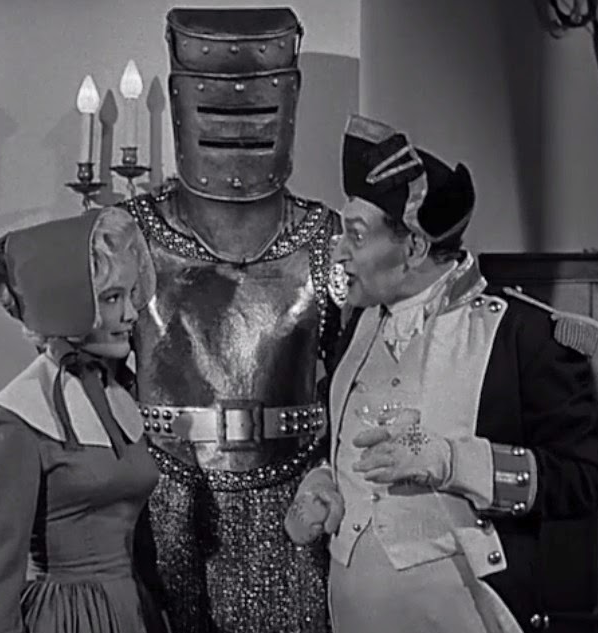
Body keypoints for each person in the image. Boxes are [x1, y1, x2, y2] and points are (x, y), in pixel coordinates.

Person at [285, 114, 598, 632]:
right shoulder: (354, 327)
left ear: (413, 247)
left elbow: (582, 481)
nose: (338, 251)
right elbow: (337, 441)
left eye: (356, 235)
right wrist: (323, 480)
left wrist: (455, 462)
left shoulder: (521, 336)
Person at [119, 7, 340, 633]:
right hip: (163, 503)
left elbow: (355, 381)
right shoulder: (136, 232)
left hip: (292, 507)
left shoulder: (324, 236)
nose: (237, 123)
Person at [0, 207, 168, 633]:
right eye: (112, 298)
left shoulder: (120, 395)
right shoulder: (19, 419)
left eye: (131, 295)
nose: (131, 314)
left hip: (132, 612)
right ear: (67, 305)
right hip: (66, 618)